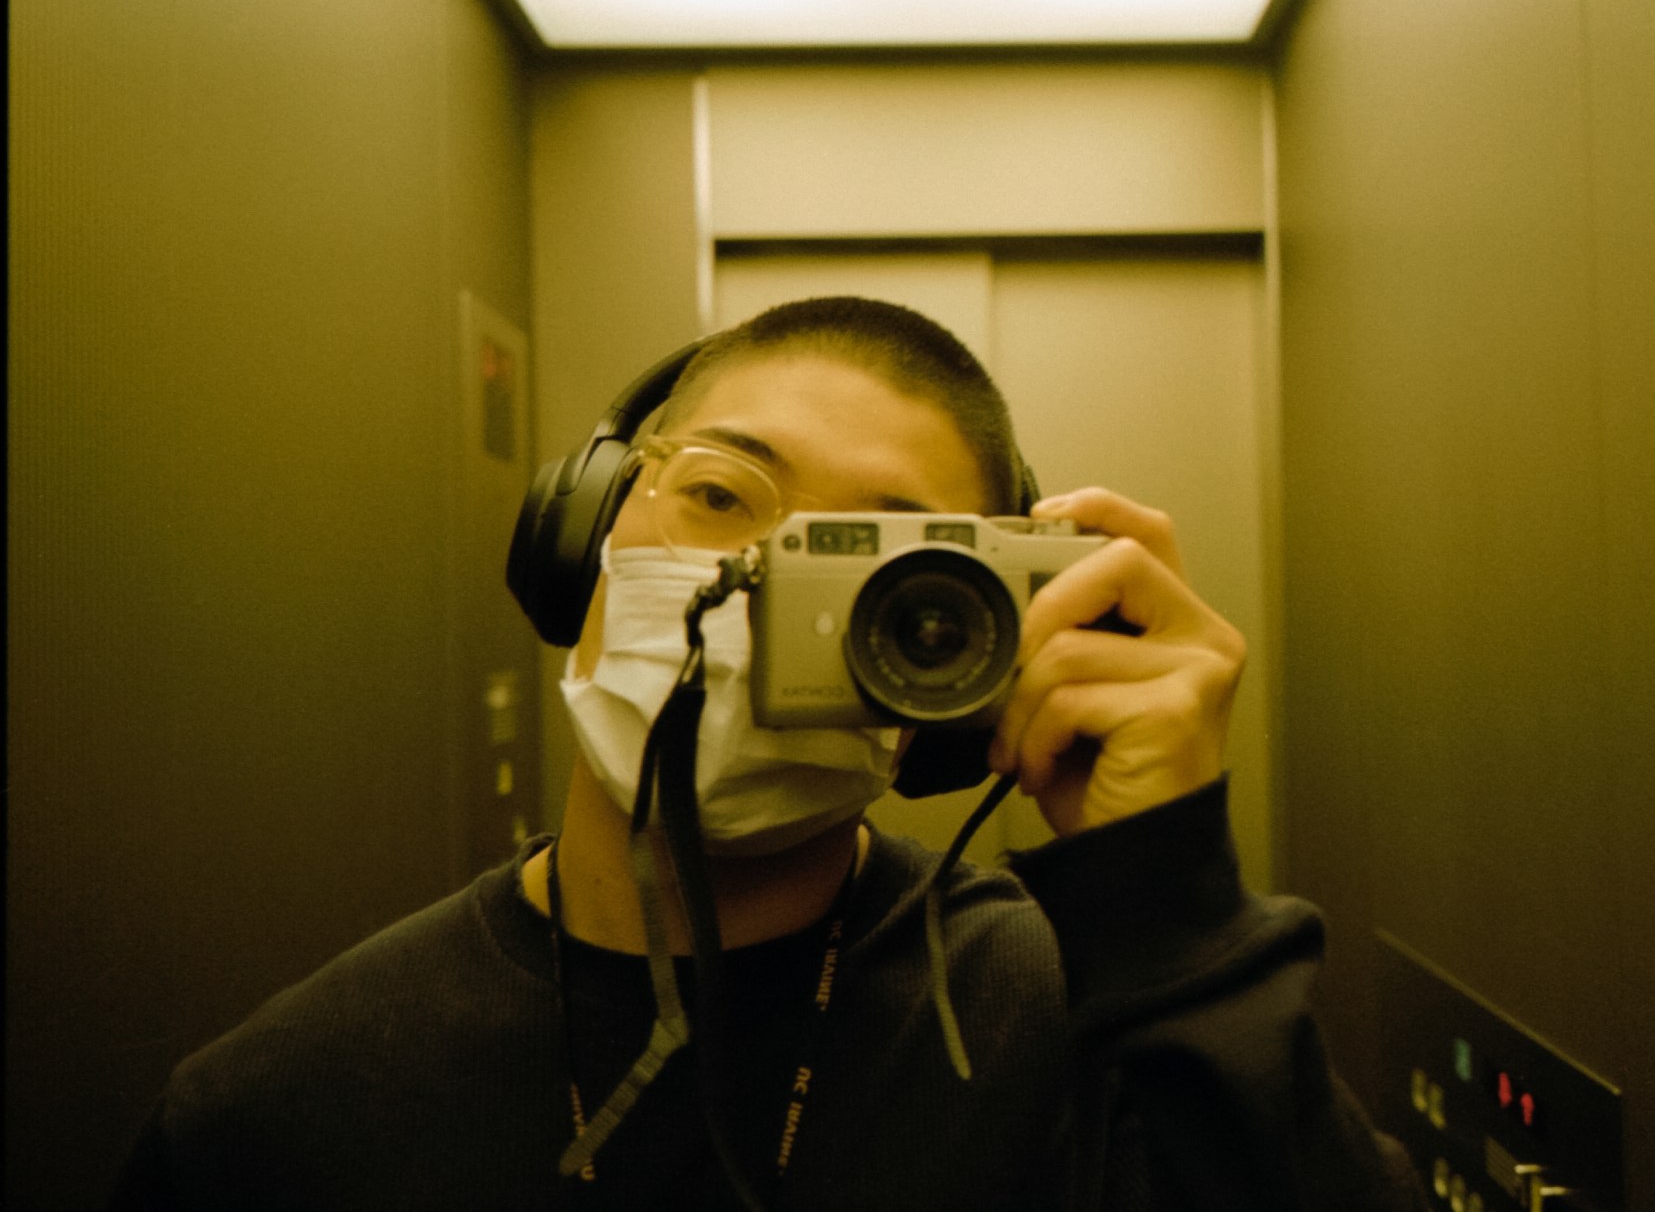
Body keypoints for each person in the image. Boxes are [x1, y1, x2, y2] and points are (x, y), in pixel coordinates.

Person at [112, 297, 1428, 1211]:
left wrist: (1171, 904)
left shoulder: (1082, 1029)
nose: (755, 584)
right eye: (721, 495)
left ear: (964, 671)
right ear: (584, 534)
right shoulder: (281, 1108)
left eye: (879, 570)